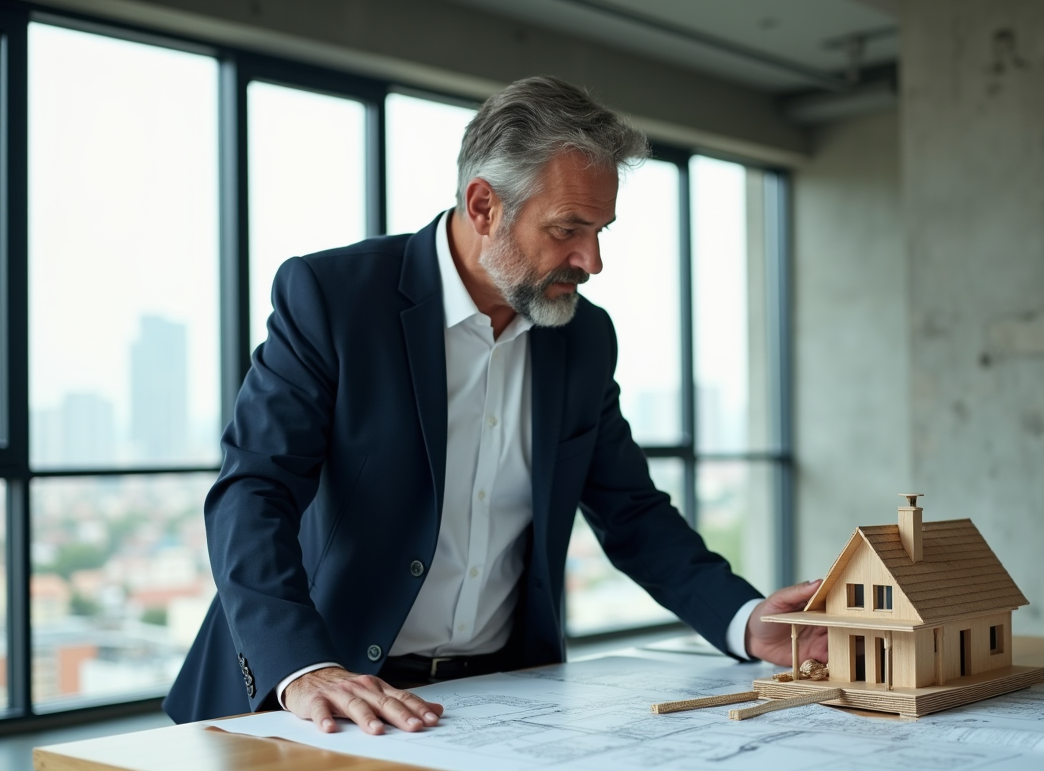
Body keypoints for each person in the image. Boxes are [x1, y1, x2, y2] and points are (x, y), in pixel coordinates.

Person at [164, 76, 827, 734]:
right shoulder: (333, 298)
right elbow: (253, 492)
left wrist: (746, 620)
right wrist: (304, 667)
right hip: (321, 697)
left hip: (493, 705)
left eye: (601, 229)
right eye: (568, 228)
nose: (591, 260)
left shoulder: (585, 337)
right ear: (483, 206)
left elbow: (632, 513)